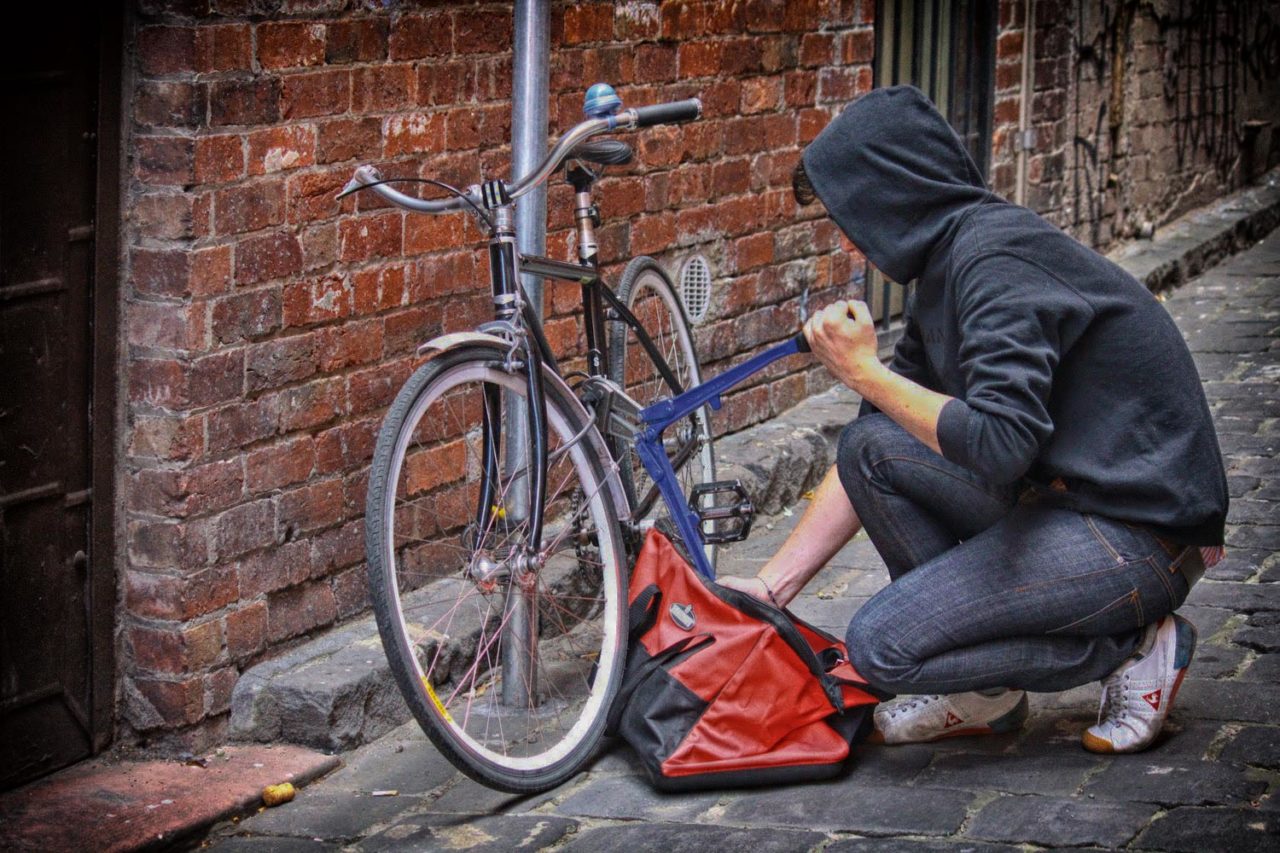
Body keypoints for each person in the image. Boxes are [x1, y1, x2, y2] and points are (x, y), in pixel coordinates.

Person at [717, 86, 1228, 754]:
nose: (847, 236)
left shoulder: (994, 261)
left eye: (850, 212)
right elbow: (883, 433)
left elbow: (999, 445)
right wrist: (771, 584)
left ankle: (1134, 646)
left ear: (893, 193)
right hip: (1066, 503)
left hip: (1141, 533)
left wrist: (863, 369)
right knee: (872, 445)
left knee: (882, 647)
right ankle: (984, 690)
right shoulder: (946, 269)